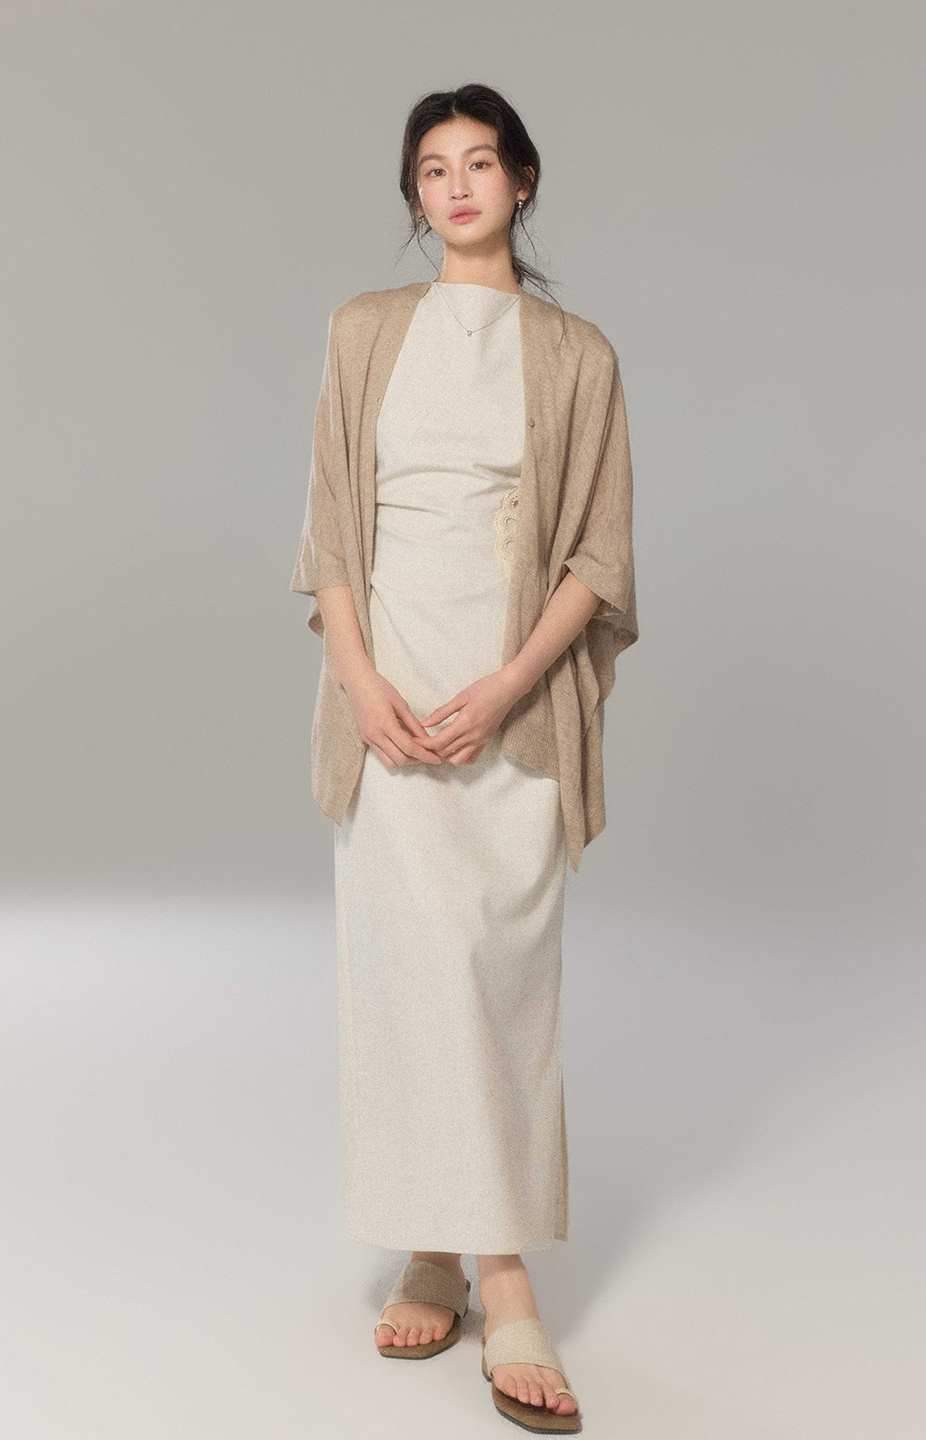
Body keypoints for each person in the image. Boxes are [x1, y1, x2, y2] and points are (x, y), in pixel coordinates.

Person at [290, 82, 638, 1433]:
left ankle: (477, 1256)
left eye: (479, 162)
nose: (455, 185)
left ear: (522, 181)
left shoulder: (578, 355)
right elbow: (331, 530)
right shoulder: (363, 329)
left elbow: (597, 553)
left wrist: (505, 688)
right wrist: (360, 682)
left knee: (497, 978)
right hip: (388, 694)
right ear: (414, 194)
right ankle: (470, 1261)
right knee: (407, 977)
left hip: (509, 695)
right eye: (431, 168)